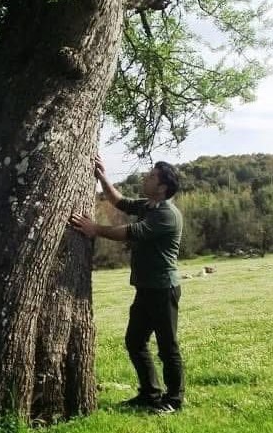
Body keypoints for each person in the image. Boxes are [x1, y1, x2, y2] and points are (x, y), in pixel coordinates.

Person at [69, 155, 184, 414]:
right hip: (146, 289)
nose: (146, 177)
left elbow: (129, 233)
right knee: (135, 341)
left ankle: (174, 400)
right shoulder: (149, 206)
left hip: (163, 289)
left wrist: (94, 228)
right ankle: (150, 393)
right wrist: (102, 177)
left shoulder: (167, 214)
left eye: (152, 176)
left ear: (163, 187)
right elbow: (119, 201)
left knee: (168, 347)